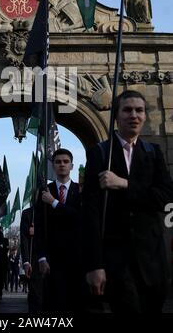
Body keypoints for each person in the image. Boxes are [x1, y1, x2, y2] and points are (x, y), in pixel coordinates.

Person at [83, 90, 173, 313]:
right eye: (127, 110)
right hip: (116, 260)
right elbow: (91, 214)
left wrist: (124, 184)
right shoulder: (100, 153)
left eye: (139, 110)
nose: (134, 115)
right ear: (116, 115)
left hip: (152, 259)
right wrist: (94, 265)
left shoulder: (154, 152)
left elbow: (165, 197)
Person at [35, 148, 83, 312]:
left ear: (71, 166)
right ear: (53, 166)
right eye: (58, 162)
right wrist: (41, 257)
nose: (62, 164)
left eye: (65, 161)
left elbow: (79, 217)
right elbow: (39, 225)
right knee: (53, 303)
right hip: (52, 257)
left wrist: (54, 202)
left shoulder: (81, 190)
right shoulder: (44, 191)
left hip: (76, 256)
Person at [20, 206, 44, 312]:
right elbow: (24, 239)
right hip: (35, 262)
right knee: (36, 297)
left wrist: (38, 230)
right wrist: (26, 261)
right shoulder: (29, 213)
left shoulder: (57, 207)